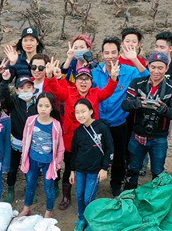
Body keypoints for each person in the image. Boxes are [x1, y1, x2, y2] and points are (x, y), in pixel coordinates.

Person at [45, 59, 118, 209]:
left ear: (91, 82)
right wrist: (50, 75)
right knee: (70, 166)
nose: (83, 83)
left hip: (91, 140)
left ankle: (89, 195)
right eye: (80, 79)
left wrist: (113, 78)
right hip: (71, 139)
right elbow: (55, 90)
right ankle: (66, 195)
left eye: (86, 79)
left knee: (91, 166)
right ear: (75, 81)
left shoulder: (96, 94)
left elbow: (109, 91)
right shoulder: (68, 92)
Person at [92, 35, 148, 195]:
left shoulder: (129, 71)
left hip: (119, 123)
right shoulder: (96, 72)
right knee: (97, 153)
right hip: (98, 123)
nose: (110, 56)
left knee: (119, 156)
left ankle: (116, 184)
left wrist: (135, 59)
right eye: (106, 53)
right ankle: (93, 182)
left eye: (113, 52)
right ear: (102, 54)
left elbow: (147, 77)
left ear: (118, 53)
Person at [120, 51, 172, 190]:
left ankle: (155, 201)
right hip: (137, 135)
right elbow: (125, 105)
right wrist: (136, 103)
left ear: (166, 68)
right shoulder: (138, 83)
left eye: (160, 68)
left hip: (159, 138)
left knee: (157, 171)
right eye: (153, 67)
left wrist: (163, 109)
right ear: (148, 66)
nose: (156, 71)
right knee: (133, 169)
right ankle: (129, 197)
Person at [69, 99, 113, 231]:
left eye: (83, 111)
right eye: (77, 112)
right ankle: (82, 218)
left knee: (89, 197)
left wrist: (105, 168)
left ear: (91, 111)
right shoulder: (78, 131)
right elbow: (74, 152)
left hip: (95, 170)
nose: (80, 115)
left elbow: (110, 148)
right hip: (81, 170)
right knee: (79, 195)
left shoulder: (102, 128)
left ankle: (90, 221)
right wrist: (72, 171)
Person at [19, 92, 65, 218]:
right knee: (30, 185)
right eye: (40, 106)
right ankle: (26, 208)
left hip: (48, 162)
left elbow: (60, 147)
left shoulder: (56, 125)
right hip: (32, 160)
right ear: (37, 106)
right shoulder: (30, 121)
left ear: (52, 107)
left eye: (47, 106)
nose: (43, 109)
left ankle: (48, 212)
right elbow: (25, 138)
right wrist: (24, 157)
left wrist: (57, 163)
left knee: (49, 188)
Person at [6, 76, 39, 203]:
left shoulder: (37, 103)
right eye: (22, 88)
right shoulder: (14, 102)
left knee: (30, 167)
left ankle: (30, 190)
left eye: (28, 87)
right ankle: (10, 190)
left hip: (32, 142)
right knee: (12, 167)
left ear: (33, 88)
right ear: (17, 90)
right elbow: (3, 98)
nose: (25, 90)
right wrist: (4, 81)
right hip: (16, 141)